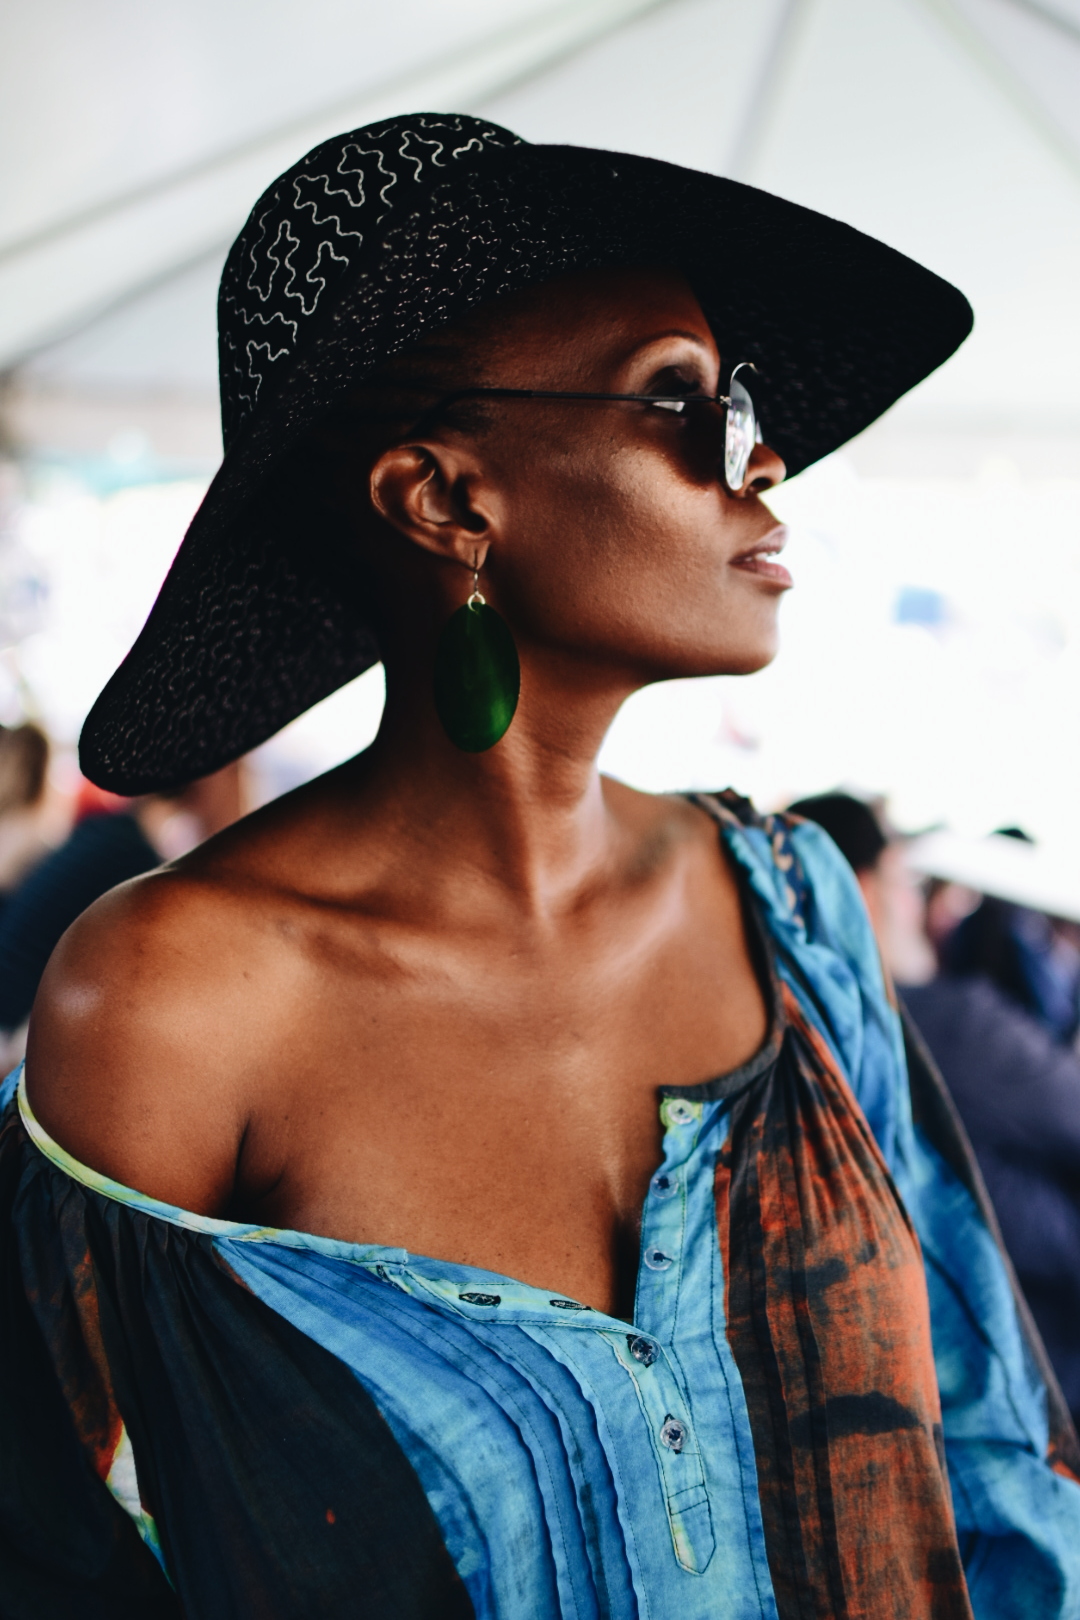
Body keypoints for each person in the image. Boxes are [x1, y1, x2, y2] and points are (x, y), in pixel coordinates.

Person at [1, 115, 1076, 1619]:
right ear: (444, 500)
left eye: (742, 400)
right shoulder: (171, 999)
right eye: (680, 400)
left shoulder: (795, 909)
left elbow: (990, 1461)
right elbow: (72, 1560)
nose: (760, 458)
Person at [790, 792, 1080, 1433]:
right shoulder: (949, 1025)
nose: (916, 905)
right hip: (1037, 1374)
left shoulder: (789, 1041)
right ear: (860, 893)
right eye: (905, 882)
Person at [0, 760, 249, 1041]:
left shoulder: (107, 832)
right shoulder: (134, 861)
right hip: (11, 1030)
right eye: (237, 772)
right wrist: (228, 824)